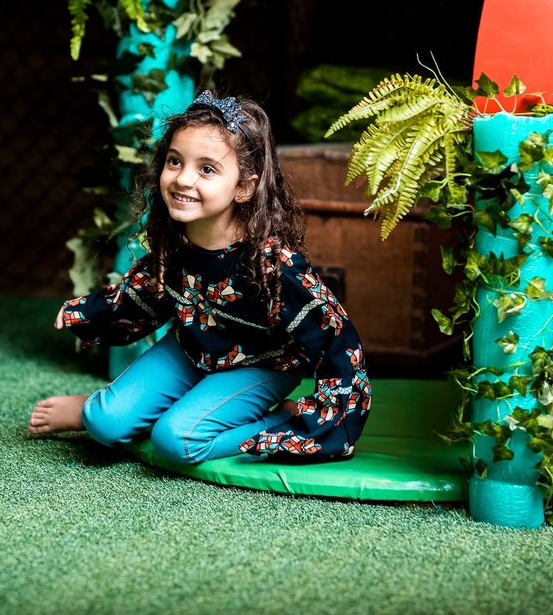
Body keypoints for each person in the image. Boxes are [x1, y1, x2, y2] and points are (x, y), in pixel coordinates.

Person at [29, 91, 371, 463]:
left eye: (207, 169)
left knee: (178, 441)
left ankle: (279, 419)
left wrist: (324, 419)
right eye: (175, 161)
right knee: (105, 425)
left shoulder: (276, 265)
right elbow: (143, 293)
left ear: (244, 187)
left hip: (260, 364)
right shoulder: (175, 243)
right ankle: (98, 409)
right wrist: (91, 311)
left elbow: (336, 338)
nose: (183, 179)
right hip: (192, 348)